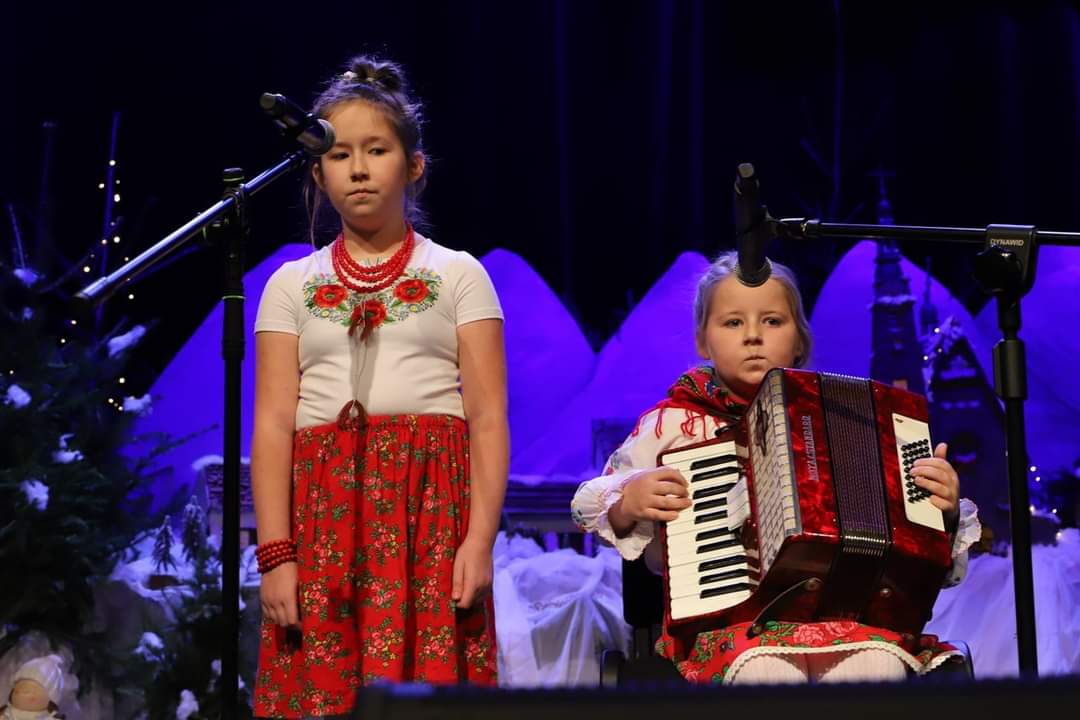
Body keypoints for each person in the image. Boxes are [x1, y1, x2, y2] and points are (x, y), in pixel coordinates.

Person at [571, 251, 981, 684]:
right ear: (702, 342)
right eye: (732, 323)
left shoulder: (852, 419)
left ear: (800, 340)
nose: (753, 336)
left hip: (846, 615)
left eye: (772, 321)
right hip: (729, 625)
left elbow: (921, 555)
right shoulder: (672, 424)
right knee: (764, 674)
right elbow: (591, 507)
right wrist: (627, 502)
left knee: (876, 666)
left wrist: (944, 510)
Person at [251, 54, 506, 717]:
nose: (358, 168)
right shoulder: (290, 285)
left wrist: (478, 542)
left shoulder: (457, 275)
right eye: (339, 155)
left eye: (377, 150)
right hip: (323, 516)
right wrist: (277, 553)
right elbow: (274, 423)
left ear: (413, 165)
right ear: (316, 171)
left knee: (425, 695)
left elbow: (486, 417)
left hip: (428, 517)